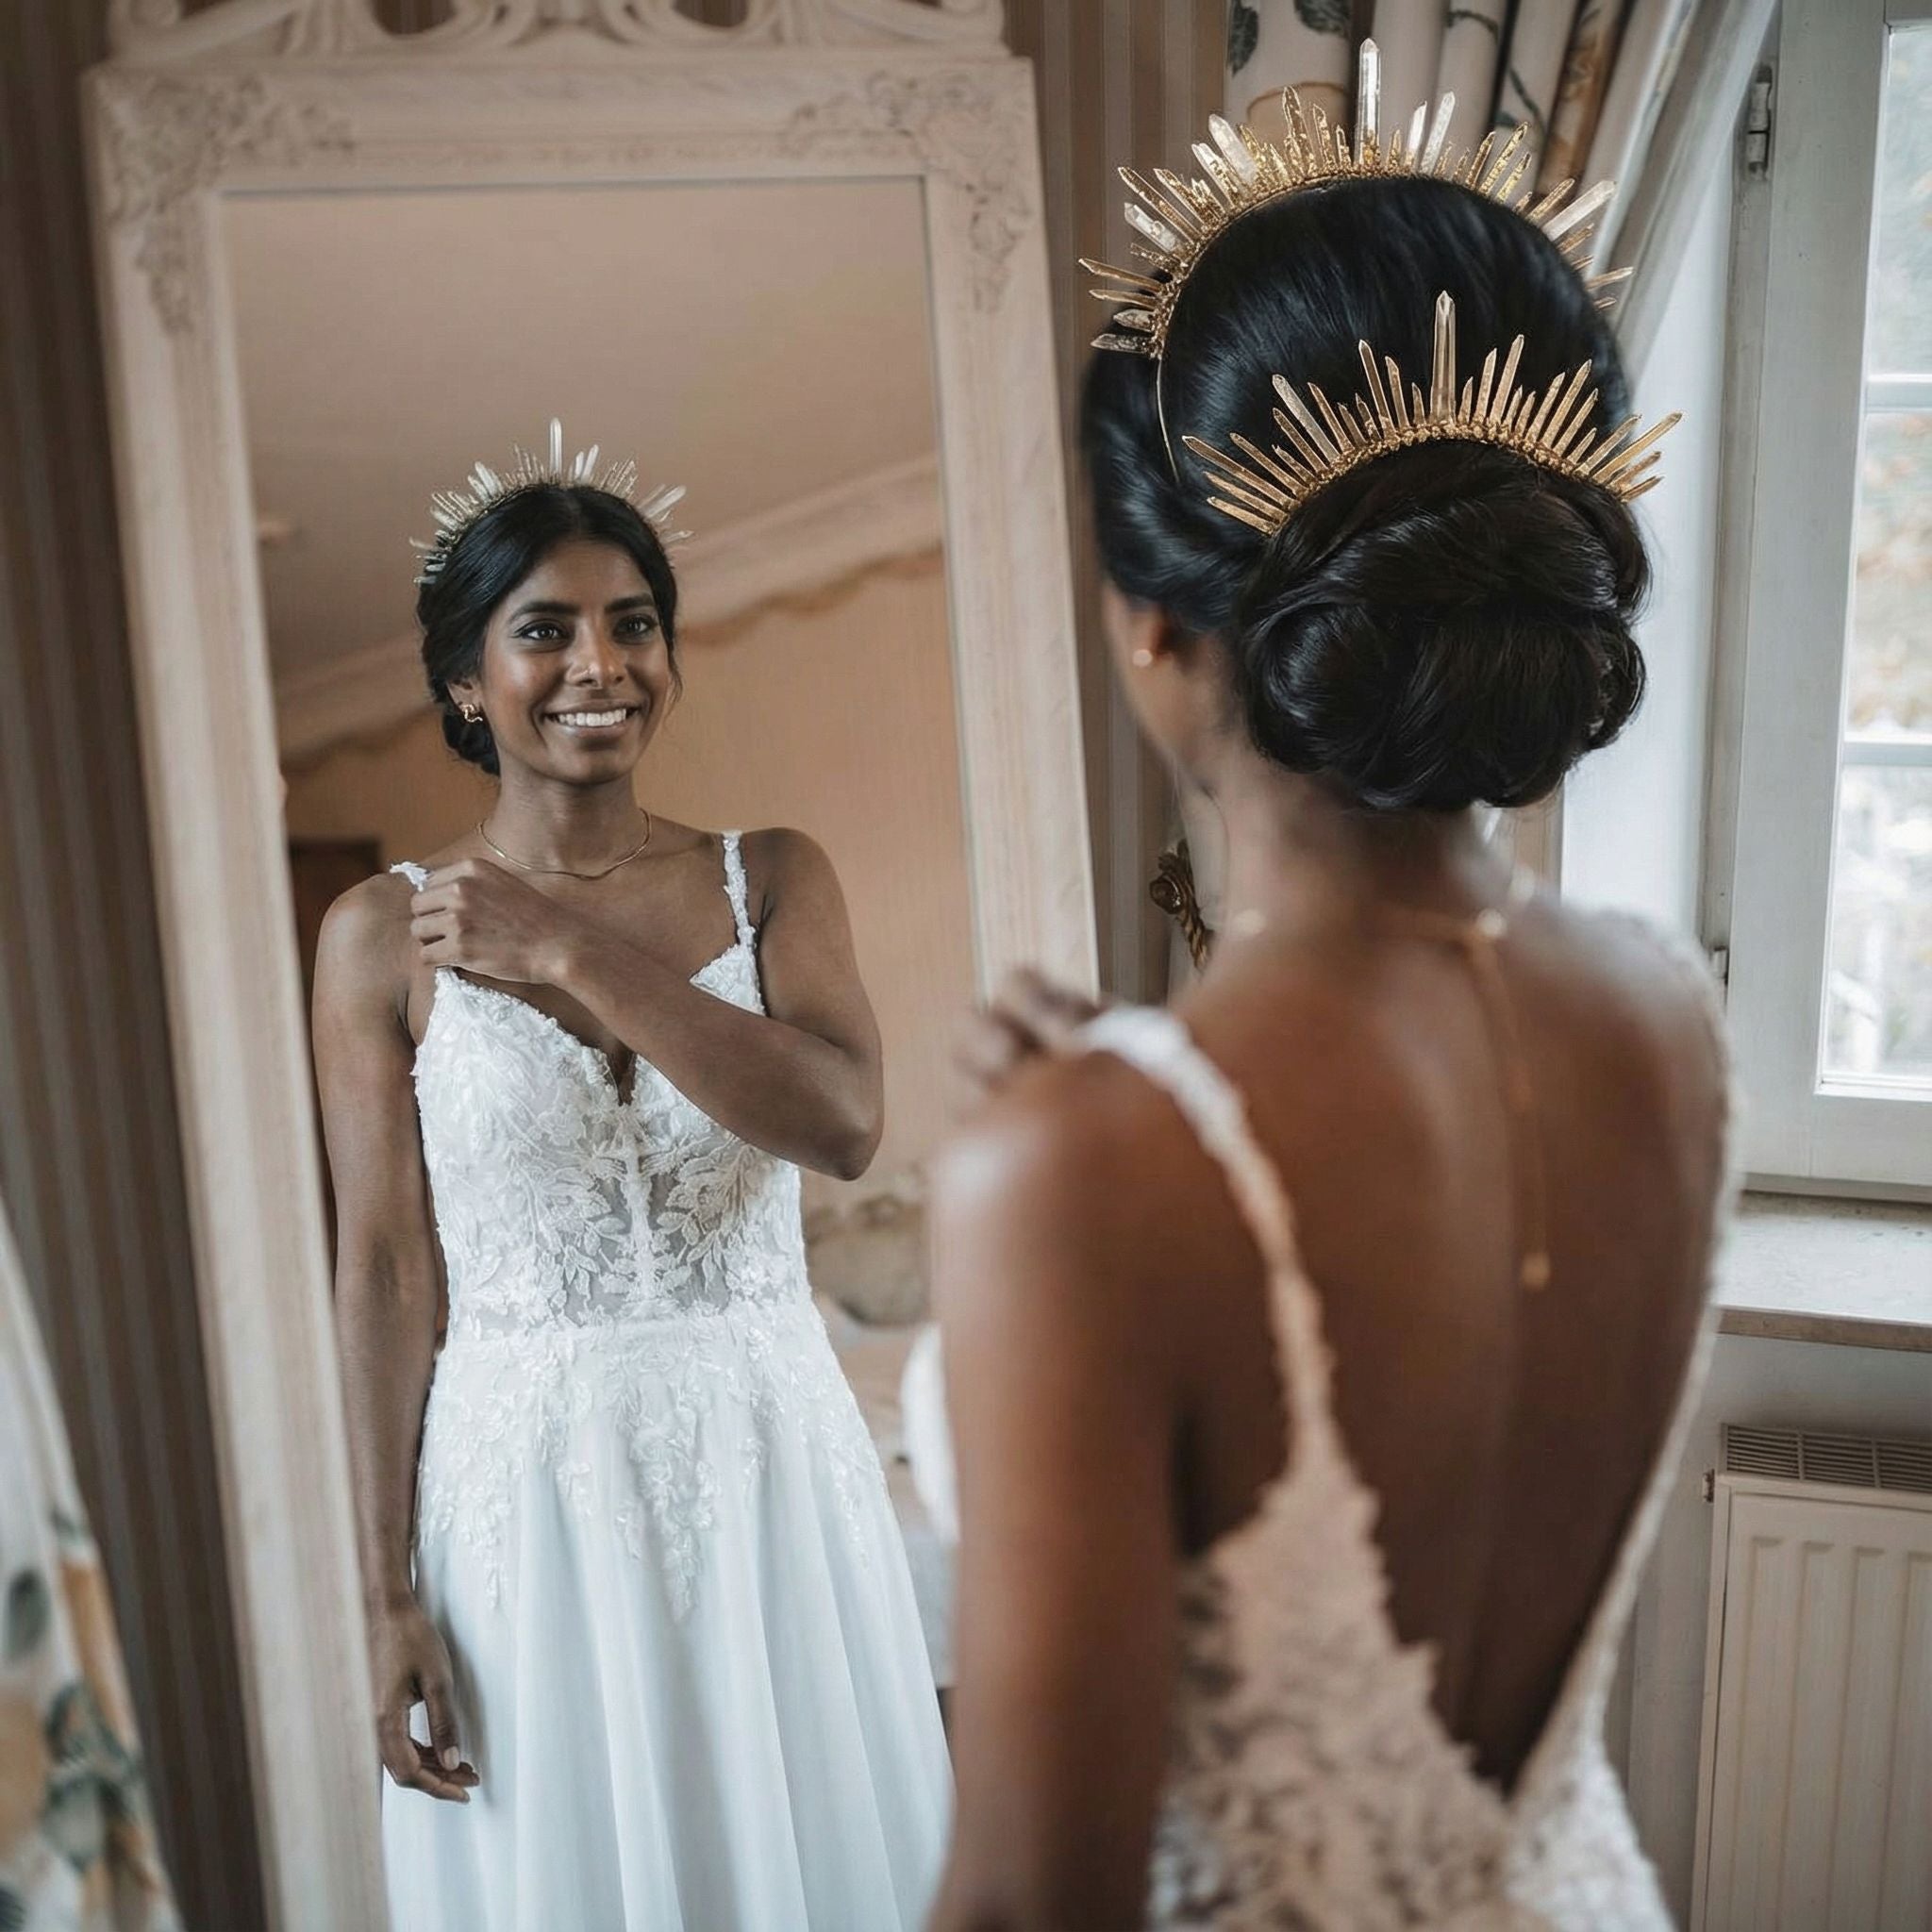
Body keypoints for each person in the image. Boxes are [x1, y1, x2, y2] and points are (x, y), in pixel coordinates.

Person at [913, 62, 1732, 1930]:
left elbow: (1030, 1903)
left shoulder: (1095, 1172)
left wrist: (1065, 1170)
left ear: (1151, 616)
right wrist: (1088, 1142)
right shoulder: (1666, 1019)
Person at [311, 427, 949, 1931]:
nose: (599, 661)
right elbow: (389, 1269)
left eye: (633, 622)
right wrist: (381, 1589)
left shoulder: (772, 875)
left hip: (769, 1459)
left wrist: (569, 953)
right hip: (523, 1490)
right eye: (543, 629)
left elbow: (843, 1122)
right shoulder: (371, 935)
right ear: (468, 682)